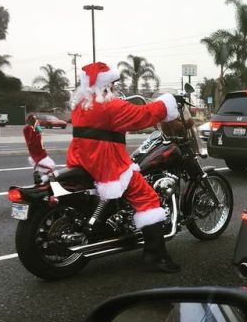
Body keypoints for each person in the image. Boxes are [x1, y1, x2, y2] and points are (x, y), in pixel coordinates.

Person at [66, 61, 181, 273]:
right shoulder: (110, 106)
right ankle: (155, 257)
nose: (116, 88)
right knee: (148, 198)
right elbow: (142, 116)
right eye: (113, 84)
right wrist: (167, 102)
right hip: (106, 163)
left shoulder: (81, 104)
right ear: (106, 85)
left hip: (81, 158)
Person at [23, 113, 56, 182]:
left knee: (49, 168)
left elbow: (39, 132)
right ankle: (41, 180)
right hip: (39, 155)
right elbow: (34, 139)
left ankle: (38, 175)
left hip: (40, 153)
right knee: (51, 167)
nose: (37, 120)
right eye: (35, 119)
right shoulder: (31, 130)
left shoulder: (31, 128)